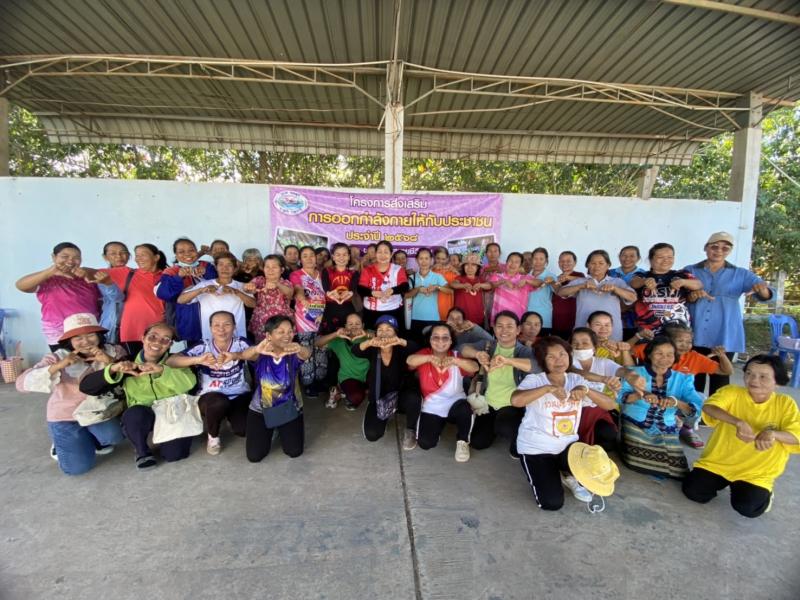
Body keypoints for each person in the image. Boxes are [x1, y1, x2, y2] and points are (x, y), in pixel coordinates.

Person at [682, 355, 800, 518]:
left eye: (763, 376)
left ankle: (765, 494)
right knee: (694, 492)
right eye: (749, 373)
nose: (754, 380)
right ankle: (729, 484)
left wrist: (773, 433)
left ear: (777, 382)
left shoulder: (785, 404)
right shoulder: (732, 392)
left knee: (748, 508)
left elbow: (796, 435)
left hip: (756, 473)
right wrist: (737, 422)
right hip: (718, 463)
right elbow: (709, 407)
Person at [16, 313, 126, 475]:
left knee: (114, 436)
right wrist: (60, 365)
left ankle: (92, 439)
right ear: (69, 341)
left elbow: (129, 375)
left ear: (99, 335)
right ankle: (60, 442)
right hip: (66, 415)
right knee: (77, 468)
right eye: (78, 338)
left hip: (98, 411)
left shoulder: (113, 350)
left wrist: (109, 361)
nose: (86, 342)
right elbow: (21, 384)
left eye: (90, 335)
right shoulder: (57, 357)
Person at [511, 336, 614, 509]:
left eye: (562, 354)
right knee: (552, 503)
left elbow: (610, 404)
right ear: (542, 360)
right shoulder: (535, 380)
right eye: (551, 356)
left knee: (593, 466)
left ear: (569, 356)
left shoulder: (576, 380)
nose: (558, 360)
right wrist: (547, 389)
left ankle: (568, 475)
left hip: (569, 447)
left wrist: (586, 390)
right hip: (537, 448)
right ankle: (549, 471)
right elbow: (516, 401)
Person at [79, 322, 198, 469]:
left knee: (175, 455)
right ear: (143, 338)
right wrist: (113, 369)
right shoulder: (128, 363)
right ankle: (142, 451)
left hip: (172, 412)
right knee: (134, 414)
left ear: (170, 344)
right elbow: (87, 387)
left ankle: (166, 436)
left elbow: (189, 384)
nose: (157, 342)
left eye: (165, 339)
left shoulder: (176, 360)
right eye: (152, 337)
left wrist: (162, 370)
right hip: (142, 412)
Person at [684, 232, 774, 396]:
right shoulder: (690, 270)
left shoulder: (741, 273)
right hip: (694, 331)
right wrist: (691, 296)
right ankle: (693, 410)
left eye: (725, 248)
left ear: (730, 251)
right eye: (714, 247)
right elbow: (678, 296)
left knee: (720, 378)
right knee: (693, 376)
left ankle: (716, 411)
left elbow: (766, 294)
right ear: (706, 248)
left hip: (724, 332)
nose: (719, 251)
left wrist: (762, 290)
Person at [632, 322, 734, 448]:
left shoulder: (695, 358)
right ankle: (662, 424)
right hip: (653, 397)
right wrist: (638, 336)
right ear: (667, 340)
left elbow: (726, 371)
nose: (685, 345)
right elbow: (627, 350)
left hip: (678, 401)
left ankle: (686, 427)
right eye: (680, 341)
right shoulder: (654, 349)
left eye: (688, 342)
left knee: (700, 400)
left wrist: (722, 356)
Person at [166, 311, 252, 456]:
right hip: (211, 396)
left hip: (238, 393)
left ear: (234, 326)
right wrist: (198, 359)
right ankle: (213, 436)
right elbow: (171, 361)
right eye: (216, 325)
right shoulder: (203, 346)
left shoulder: (240, 343)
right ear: (210, 328)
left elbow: (258, 354)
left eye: (227, 324)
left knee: (243, 430)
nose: (221, 329)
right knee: (218, 403)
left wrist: (237, 355)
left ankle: (230, 416)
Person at [617, 337, 704, 479]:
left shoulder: (683, 379)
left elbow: (697, 408)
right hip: (635, 423)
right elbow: (620, 398)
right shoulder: (634, 373)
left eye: (670, 354)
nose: (665, 358)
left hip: (666, 426)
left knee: (679, 470)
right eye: (659, 353)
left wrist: (676, 402)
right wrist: (640, 395)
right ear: (649, 354)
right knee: (635, 460)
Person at [461, 310, 535, 456]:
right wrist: (477, 354)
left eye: (509, 326)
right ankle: (495, 425)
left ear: (518, 329)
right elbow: (462, 348)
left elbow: (536, 366)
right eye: (499, 326)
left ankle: (516, 439)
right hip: (487, 404)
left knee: (505, 427)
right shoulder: (488, 346)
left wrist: (508, 361)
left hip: (512, 405)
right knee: (478, 443)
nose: (504, 330)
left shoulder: (524, 351)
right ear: (494, 329)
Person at [239, 315, 311, 462]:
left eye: (290, 331)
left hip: (289, 407)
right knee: (254, 456)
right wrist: (256, 349)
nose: (287, 335)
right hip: (261, 409)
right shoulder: (261, 354)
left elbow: (307, 353)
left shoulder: (293, 352)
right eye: (280, 332)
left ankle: (278, 427)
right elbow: (244, 355)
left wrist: (299, 348)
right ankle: (273, 428)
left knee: (294, 451)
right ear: (268, 335)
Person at [16, 242, 112, 350]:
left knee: (95, 359)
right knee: (66, 360)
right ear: (54, 257)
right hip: (59, 332)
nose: (70, 261)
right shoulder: (47, 279)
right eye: (65, 257)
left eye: (76, 258)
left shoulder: (86, 277)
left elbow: (105, 276)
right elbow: (20, 285)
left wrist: (86, 271)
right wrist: (51, 271)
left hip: (89, 331)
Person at [407, 323, 480, 462]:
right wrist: (429, 358)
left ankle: (463, 440)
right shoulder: (424, 354)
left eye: (445, 337)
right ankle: (438, 427)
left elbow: (474, 367)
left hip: (455, 405)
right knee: (425, 443)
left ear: (451, 340)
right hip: (432, 406)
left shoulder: (456, 355)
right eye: (436, 337)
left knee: (465, 409)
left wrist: (455, 361)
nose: (440, 341)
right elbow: (410, 360)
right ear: (430, 340)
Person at [352, 315, 420, 449]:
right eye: (380, 330)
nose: (384, 333)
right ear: (376, 333)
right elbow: (355, 351)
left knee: (414, 398)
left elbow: (416, 348)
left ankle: (411, 429)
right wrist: (369, 342)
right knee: (372, 434)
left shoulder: (401, 348)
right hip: (379, 398)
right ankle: (382, 417)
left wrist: (399, 341)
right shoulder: (373, 349)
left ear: (395, 333)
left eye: (389, 329)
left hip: (400, 396)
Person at [557, 249, 636, 341]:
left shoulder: (617, 282)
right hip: (583, 332)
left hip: (611, 333)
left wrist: (615, 288)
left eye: (601, 263)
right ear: (587, 265)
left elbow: (633, 297)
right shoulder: (580, 281)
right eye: (593, 263)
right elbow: (561, 292)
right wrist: (582, 286)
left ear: (608, 265)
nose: (597, 266)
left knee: (611, 350)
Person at [103, 243, 166, 356]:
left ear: (156, 257)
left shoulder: (167, 276)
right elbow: (93, 272)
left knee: (156, 363)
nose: (139, 259)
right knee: (130, 363)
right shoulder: (127, 273)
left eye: (143, 255)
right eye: (137, 255)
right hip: (130, 330)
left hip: (158, 331)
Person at [570, 328, 626, 451]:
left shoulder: (603, 363)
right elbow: (577, 372)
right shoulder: (567, 362)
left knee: (608, 435)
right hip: (572, 411)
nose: (579, 347)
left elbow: (623, 371)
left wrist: (631, 375)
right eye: (575, 343)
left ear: (594, 348)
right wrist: (604, 379)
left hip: (597, 410)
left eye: (585, 343)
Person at [178, 252, 254, 341]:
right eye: (221, 264)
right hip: (210, 337)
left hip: (237, 337)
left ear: (234, 268)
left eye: (229, 265)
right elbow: (181, 300)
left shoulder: (241, 286)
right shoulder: (204, 284)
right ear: (216, 267)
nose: (224, 268)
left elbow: (253, 304)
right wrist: (201, 290)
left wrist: (236, 292)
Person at [155, 237, 217, 343]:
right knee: (194, 349)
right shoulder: (171, 271)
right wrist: (178, 277)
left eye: (191, 250)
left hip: (213, 317)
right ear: (176, 255)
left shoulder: (206, 266)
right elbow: (165, 294)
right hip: (189, 322)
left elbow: (219, 283)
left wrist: (206, 272)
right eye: (181, 252)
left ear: (196, 251)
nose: (187, 254)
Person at [630, 243, 702, 334]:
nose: (666, 260)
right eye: (660, 257)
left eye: (670, 257)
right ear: (651, 259)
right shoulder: (642, 275)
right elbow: (633, 283)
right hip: (648, 329)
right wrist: (645, 281)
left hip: (677, 329)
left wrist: (683, 282)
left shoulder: (681, 274)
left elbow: (698, 284)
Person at [289, 246, 328, 396]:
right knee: (306, 352)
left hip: (322, 318)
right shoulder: (296, 274)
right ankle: (308, 384)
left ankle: (320, 380)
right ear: (300, 259)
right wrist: (302, 299)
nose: (309, 258)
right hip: (304, 319)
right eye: (305, 256)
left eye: (312, 255)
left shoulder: (323, 274)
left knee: (321, 350)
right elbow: (298, 289)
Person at [315, 313, 371, 410]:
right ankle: (340, 390)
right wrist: (335, 334)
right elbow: (317, 343)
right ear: (345, 326)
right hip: (348, 377)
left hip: (367, 377)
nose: (354, 326)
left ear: (363, 325)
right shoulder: (340, 340)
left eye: (357, 324)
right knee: (356, 397)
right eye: (350, 324)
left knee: (377, 391)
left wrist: (367, 334)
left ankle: (343, 392)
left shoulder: (369, 335)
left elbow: (384, 338)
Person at [358, 240, 410, 332]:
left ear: (391, 254)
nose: (383, 255)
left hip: (393, 310)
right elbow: (360, 289)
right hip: (371, 312)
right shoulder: (367, 270)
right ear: (375, 254)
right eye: (380, 252)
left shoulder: (398, 269)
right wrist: (372, 293)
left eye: (386, 252)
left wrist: (392, 290)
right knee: (372, 337)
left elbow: (405, 286)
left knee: (393, 337)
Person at [244, 254, 294, 342]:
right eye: (267, 267)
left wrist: (276, 283)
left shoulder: (286, 283)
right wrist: (249, 287)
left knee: (282, 346)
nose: (270, 270)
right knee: (262, 347)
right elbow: (247, 288)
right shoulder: (259, 280)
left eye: (274, 267)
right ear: (263, 269)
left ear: (282, 270)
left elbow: (289, 293)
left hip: (282, 324)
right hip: (261, 323)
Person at [407, 248, 451, 343]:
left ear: (431, 260)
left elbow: (450, 291)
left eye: (427, 258)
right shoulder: (412, 277)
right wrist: (418, 289)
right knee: (416, 345)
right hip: (415, 317)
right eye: (421, 258)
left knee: (432, 345)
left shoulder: (437, 276)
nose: (424, 261)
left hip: (433, 317)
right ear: (416, 260)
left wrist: (437, 287)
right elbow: (407, 295)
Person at [320, 243, 359, 334]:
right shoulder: (326, 271)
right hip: (330, 307)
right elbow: (326, 289)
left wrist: (348, 293)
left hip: (347, 307)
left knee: (349, 334)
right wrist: (331, 294)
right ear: (333, 257)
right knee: (329, 334)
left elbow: (352, 289)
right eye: (338, 255)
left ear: (349, 257)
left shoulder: (354, 273)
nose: (341, 258)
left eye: (344, 255)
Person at [609, 245, 646, 340]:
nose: (627, 259)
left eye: (632, 256)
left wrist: (624, 308)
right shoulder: (609, 273)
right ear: (619, 256)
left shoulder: (644, 275)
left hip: (634, 319)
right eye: (624, 255)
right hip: (610, 317)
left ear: (638, 258)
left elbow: (643, 296)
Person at [488, 252, 533, 324]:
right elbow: (490, 286)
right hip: (498, 318)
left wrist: (526, 281)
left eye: (516, 262)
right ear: (506, 262)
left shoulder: (525, 277)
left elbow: (539, 283)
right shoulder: (497, 276)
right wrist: (503, 281)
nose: (513, 264)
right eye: (510, 261)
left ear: (520, 265)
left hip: (517, 318)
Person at [550, 250, 584, 340]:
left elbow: (585, 281)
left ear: (575, 263)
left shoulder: (580, 276)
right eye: (562, 261)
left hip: (572, 319)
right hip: (556, 320)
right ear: (558, 263)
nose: (565, 263)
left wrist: (567, 277)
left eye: (568, 261)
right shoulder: (556, 278)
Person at [525, 248, 558, 336]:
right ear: (532, 260)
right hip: (526, 318)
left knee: (542, 343)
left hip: (543, 318)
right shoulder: (526, 276)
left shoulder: (551, 276)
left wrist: (552, 282)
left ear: (546, 261)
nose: (538, 262)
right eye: (535, 259)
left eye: (541, 259)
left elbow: (558, 291)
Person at [451, 260, 490, 326]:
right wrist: (463, 285)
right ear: (463, 267)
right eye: (467, 265)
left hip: (477, 317)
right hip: (461, 318)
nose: (470, 267)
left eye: (473, 265)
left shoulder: (480, 279)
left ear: (477, 267)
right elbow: (453, 284)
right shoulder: (460, 278)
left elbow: (489, 286)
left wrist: (481, 285)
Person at [433, 247, 459, 320]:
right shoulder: (431, 271)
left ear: (447, 259)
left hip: (447, 307)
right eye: (438, 258)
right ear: (434, 258)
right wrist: (431, 268)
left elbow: (459, 285)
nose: (440, 261)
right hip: (432, 308)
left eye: (443, 259)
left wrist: (457, 272)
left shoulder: (452, 272)